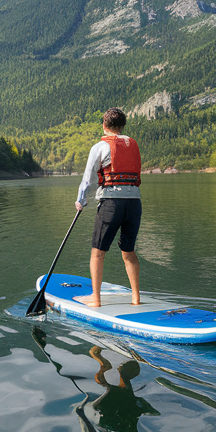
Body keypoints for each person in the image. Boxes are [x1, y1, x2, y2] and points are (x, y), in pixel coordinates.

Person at [75, 108, 142, 307]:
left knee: (98, 252)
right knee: (128, 251)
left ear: (104, 125)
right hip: (134, 203)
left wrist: (81, 201)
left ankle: (96, 298)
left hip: (111, 203)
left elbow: (87, 180)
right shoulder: (134, 144)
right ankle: (136, 298)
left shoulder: (100, 146)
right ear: (122, 126)